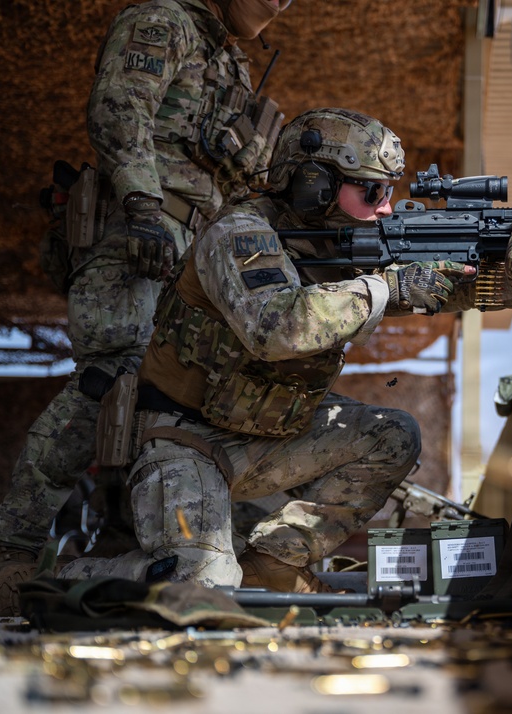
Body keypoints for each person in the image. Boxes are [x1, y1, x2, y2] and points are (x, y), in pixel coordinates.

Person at [55, 107, 470, 592]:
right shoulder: (240, 233)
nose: (384, 208)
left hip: (265, 435)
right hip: (186, 439)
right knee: (202, 584)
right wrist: (386, 290)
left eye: (388, 192)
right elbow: (278, 328)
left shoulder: (339, 245)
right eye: (371, 191)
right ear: (314, 186)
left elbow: (427, 285)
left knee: (393, 435)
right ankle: (65, 575)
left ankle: (275, 562)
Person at [0, 0, 289, 614]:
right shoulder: (164, 22)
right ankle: (7, 550)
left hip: (192, 250)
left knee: (166, 399)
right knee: (106, 385)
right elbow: (121, 107)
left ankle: (132, 541)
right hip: (137, 234)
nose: (278, 3)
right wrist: (143, 207)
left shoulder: (234, 64)